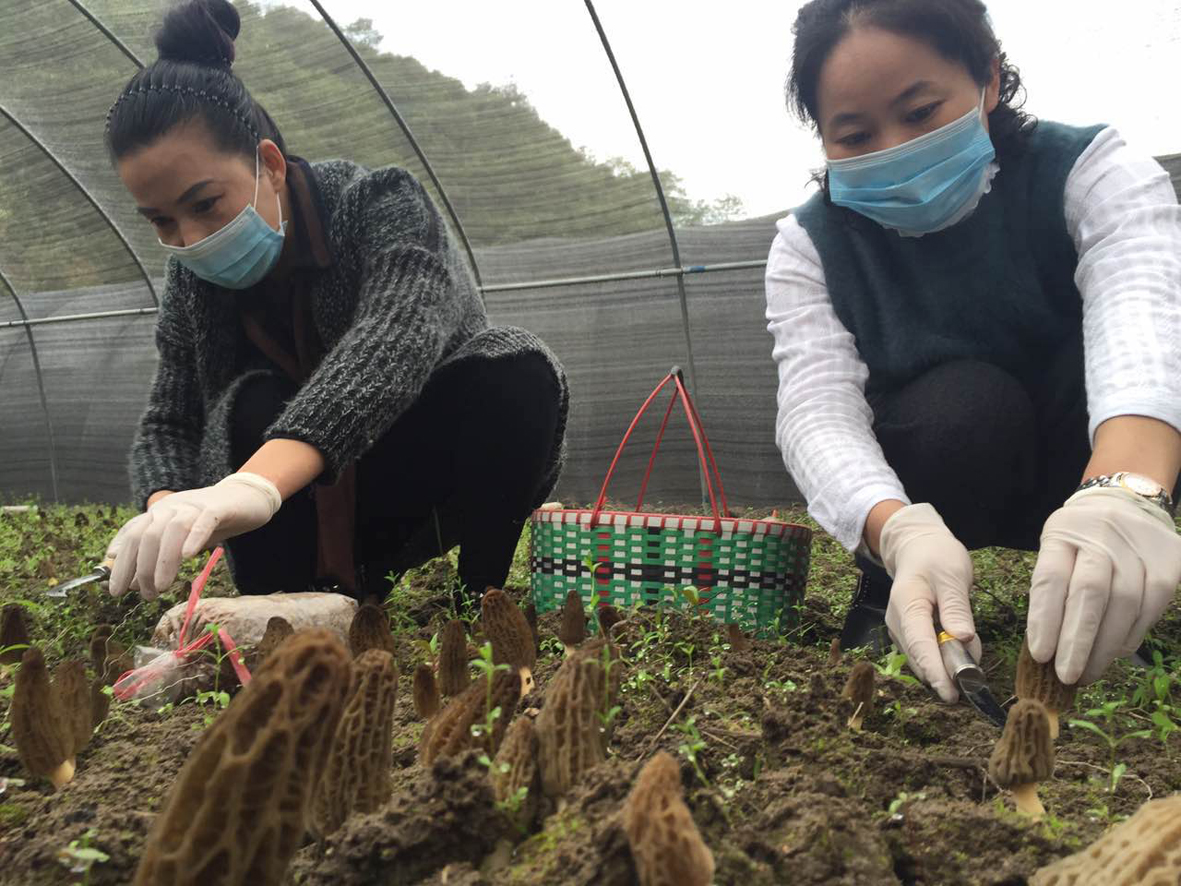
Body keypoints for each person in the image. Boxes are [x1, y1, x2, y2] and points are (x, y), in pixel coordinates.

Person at [766, 0, 1181, 702]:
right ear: (820, 136)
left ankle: (1114, 575)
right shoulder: (809, 246)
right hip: (940, 464)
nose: (891, 149)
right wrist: (892, 528)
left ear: (987, 78)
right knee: (963, 404)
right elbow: (815, 407)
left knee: (1131, 383)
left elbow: (1141, 314)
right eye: (854, 134)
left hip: (1078, 443)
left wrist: (1125, 489)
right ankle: (891, 586)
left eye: (920, 112)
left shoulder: (1088, 169)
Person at [102, 0, 567, 607]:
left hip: (411, 470)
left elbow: (394, 340)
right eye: (161, 220)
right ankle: (293, 593)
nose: (189, 239)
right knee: (249, 400)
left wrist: (255, 484)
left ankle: (479, 597)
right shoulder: (191, 283)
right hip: (286, 520)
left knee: (518, 372)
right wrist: (171, 509)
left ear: (269, 164)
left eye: (206, 204)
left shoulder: (378, 204)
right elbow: (171, 418)